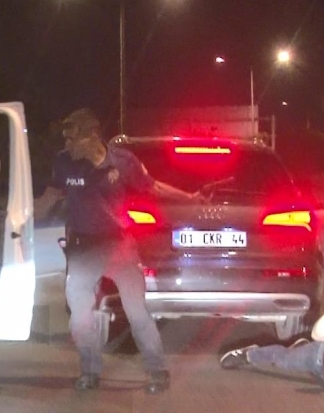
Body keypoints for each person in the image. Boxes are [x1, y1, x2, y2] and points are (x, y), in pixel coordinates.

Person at [34, 108, 204, 394]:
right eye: (66, 139)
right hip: (83, 250)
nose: (67, 145)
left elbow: (153, 187)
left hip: (119, 247)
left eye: (73, 139)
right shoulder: (64, 162)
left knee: (137, 312)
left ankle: (157, 371)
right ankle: (90, 372)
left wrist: (188, 197)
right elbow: (47, 200)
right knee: (80, 317)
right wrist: (15, 216)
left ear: (93, 136)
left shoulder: (123, 161)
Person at [220, 314, 324, 387]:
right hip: (318, 358)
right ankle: (249, 355)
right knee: (283, 360)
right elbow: (316, 335)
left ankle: (302, 349)